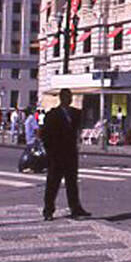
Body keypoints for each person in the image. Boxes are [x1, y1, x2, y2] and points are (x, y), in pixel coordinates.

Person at [40, 89, 87, 220]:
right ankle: (48, 210)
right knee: (53, 183)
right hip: (56, 155)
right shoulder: (53, 114)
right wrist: (50, 153)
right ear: (61, 98)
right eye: (67, 97)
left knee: (72, 183)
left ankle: (75, 207)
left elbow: (76, 131)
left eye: (70, 97)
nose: (69, 99)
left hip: (71, 154)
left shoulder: (75, 113)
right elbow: (45, 135)